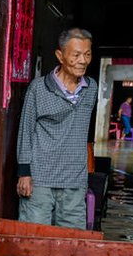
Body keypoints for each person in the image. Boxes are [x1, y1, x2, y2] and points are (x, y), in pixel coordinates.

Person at [16, 28, 98, 229]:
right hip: (39, 178)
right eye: (76, 55)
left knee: (72, 244)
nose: (83, 60)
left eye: (87, 54)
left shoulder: (91, 88)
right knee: (34, 239)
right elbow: (25, 130)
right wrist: (23, 173)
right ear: (60, 56)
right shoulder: (38, 88)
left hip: (74, 180)